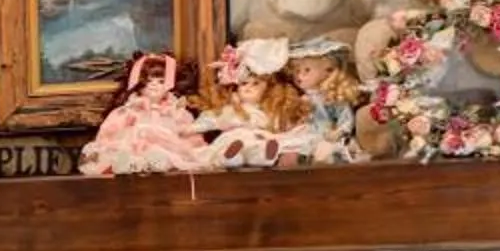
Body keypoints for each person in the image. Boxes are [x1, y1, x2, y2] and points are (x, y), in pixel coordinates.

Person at [79, 52, 214, 176]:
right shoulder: (128, 111)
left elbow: (190, 137)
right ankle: (126, 162)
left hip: (166, 155)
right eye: (149, 81)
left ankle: (158, 161)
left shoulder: (177, 112)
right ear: (140, 83)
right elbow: (108, 135)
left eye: (161, 82)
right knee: (124, 147)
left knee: (164, 152)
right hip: (131, 152)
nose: (154, 85)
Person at [196, 37, 305, 168]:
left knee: (259, 147)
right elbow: (211, 119)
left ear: (268, 89)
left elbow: (280, 126)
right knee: (228, 147)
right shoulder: (232, 109)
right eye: (244, 84)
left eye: (256, 84)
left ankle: (266, 156)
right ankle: (230, 157)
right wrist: (191, 128)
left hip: (258, 139)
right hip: (234, 138)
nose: (248, 87)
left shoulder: (269, 111)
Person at [283, 36, 367, 163]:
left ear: (328, 71)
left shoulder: (331, 97)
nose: (300, 76)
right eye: (297, 71)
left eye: (307, 70)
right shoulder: (303, 97)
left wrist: (340, 131)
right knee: (291, 147)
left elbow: (345, 118)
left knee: (323, 152)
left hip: (326, 134)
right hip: (305, 134)